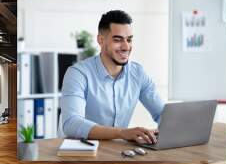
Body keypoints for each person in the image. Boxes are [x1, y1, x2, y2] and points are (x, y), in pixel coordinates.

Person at [60, 10, 164, 144]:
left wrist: (164, 130)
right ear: (101, 40)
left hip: (118, 152)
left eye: (129, 39)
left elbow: (161, 114)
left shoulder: (138, 73)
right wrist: (122, 133)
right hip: (81, 152)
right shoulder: (78, 73)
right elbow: (71, 124)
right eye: (118, 40)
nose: (126, 46)